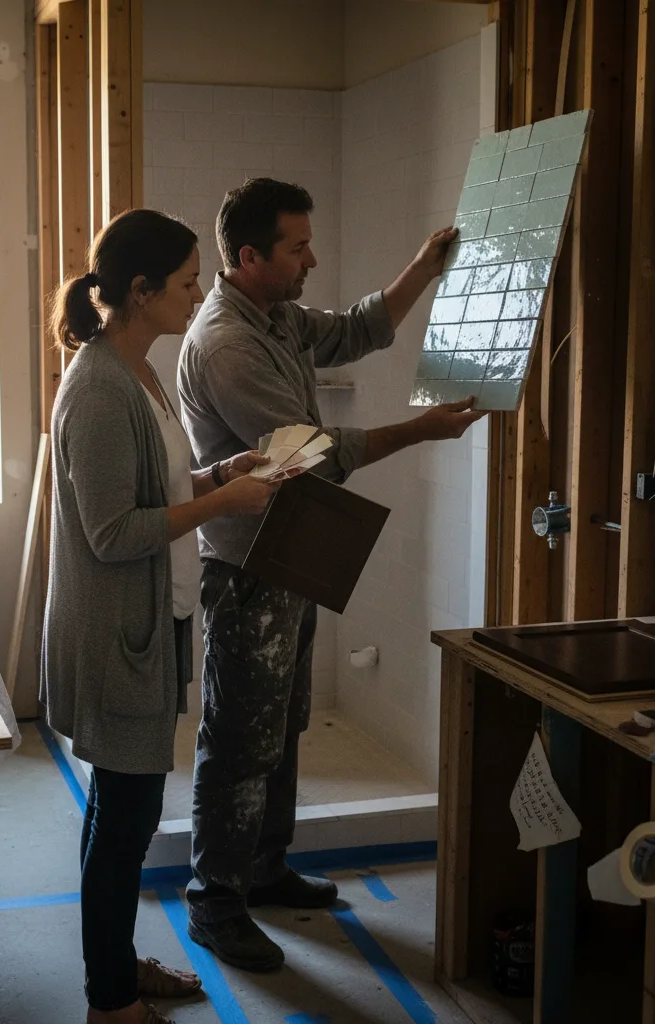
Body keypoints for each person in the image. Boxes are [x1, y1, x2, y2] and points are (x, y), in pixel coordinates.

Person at [177, 177, 486, 972]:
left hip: (290, 555)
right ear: (249, 257)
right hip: (247, 568)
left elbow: (354, 330)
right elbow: (307, 451)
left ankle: (265, 867)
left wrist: (423, 265)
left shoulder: (273, 314)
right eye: (298, 246)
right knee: (240, 736)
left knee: (281, 726)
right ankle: (215, 900)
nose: (313, 258)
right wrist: (420, 431)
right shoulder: (227, 344)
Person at [41, 208, 284, 1024]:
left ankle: (111, 967)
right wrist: (225, 499)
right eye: (186, 282)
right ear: (140, 291)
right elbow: (114, 534)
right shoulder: (101, 389)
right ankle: (110, 1000)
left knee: (119, 815)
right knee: (127, 821)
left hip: (147, 627)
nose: (199, 294)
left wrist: (222, 470)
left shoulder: (138, 369)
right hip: (118, 638)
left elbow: (158, 484)